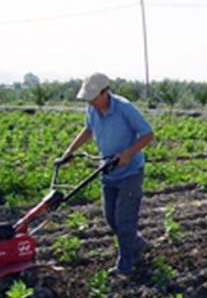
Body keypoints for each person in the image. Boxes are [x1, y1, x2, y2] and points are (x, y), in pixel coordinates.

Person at [60, 73, 154, 276]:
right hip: (108, 170)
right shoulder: (92, 109)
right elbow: (88, 130)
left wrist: (128, 154)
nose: (91, 102)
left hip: (130, 172)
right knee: (111, 218)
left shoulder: (124, 108)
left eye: (94, 97)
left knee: (124, 220)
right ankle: (136, 244)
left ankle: (126, 264)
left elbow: (148, 134)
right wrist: (69, 152)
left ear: (105, 92)